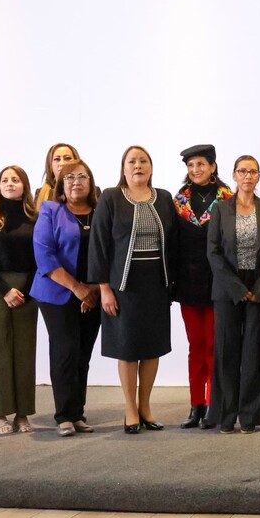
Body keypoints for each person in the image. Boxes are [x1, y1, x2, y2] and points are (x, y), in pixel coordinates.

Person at [90, 145, 178, 434]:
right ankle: (130, 408)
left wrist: (172, 284)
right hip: (123, 286)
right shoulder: (111, 198)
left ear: (151, 167)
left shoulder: (164, 198)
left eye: (143, 161)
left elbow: (175, 241)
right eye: (132, 161)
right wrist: (104, 288)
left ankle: (146, 406)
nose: (138, 165)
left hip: (155, 283)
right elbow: (99, 245)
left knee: (152, 347)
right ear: (123, 168)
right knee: (127, 349)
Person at [207, 155, 260, 434]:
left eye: (253, 171)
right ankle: (226, 415)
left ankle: (249, 415)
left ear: (259, 176)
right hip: (228, 287)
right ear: (234, 175)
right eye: (242, 171)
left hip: (259, 286)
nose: (248, 176)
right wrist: (238, 289)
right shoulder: (221, 208)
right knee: (226, 352)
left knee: (253, 352)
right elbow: (213, 252)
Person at [30, 159, 101, 437]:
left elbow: (109, 253)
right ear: (61, 184)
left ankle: (77, 413)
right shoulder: (50, 210)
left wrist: (92, 289)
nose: (76, 182)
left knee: (83, 354)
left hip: (93, 293)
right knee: (65, 352)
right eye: (70, 178)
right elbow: (45, 257)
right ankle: (63, 416)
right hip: (57, 294)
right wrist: (77, 288)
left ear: (91, 182)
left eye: (82, 176)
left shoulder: (99, 212)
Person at [0, 165, 39, 435]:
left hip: (27, 289)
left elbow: (40, 256)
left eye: (16, 180)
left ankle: (22, 413)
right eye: (5, 180)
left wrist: (24, 287)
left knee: (25, 351)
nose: (10, 183)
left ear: (24, 185)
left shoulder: (34, 218)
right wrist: (5, 289)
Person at [173, 144, 233, 429]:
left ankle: (213, 403)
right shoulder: (179, 200)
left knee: (213, 345)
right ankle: (195, 404)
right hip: (187, 283)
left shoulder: (227, 198)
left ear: (213, 166)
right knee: (195, 345)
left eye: (201, 164)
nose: (195, 170)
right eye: (191, 165)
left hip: (218, 283)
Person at [35, 143, 81, 209]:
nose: (62, 163)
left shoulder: (93, 192)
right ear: (50, 165)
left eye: (67, 158)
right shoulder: (40, 194)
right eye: (57, 159)